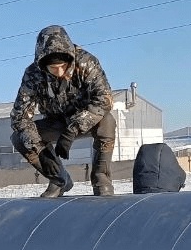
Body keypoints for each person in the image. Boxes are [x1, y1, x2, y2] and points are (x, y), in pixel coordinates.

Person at [10, 24, 117, 197]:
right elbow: (20, 117)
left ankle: (100, 178)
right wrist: (42, 152)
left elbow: (104, 99)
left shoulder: (87, 63)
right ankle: (60, 180)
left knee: (107, 121)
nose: (59, 72)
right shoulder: (33, 74)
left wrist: (74, 129)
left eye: (63, 66)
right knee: (20, 138)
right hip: (56, 122)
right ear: (43, 64)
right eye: (53, 68)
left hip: (85, 119)